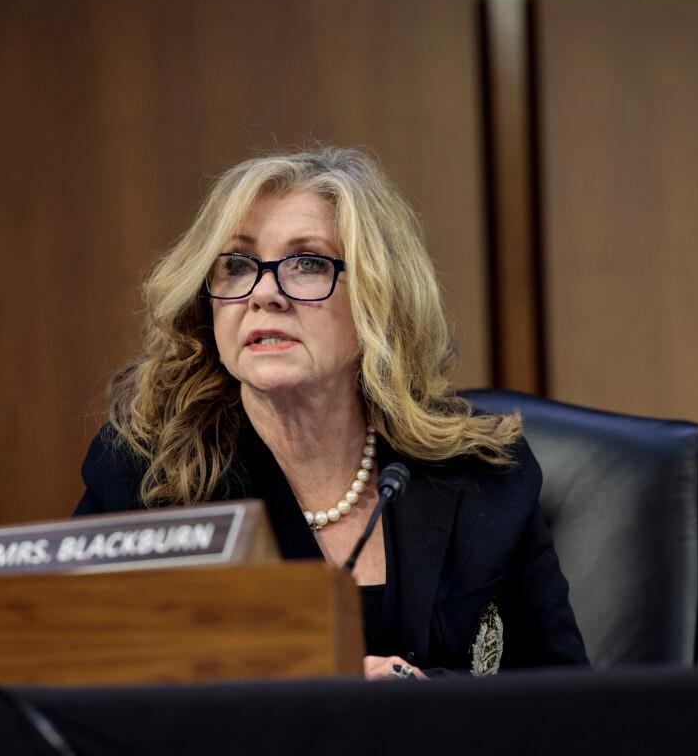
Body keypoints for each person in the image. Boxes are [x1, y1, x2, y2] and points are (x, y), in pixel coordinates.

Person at [75, 147, 587, 677]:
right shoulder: (146, 476)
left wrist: (423, 699)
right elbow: (88, 692)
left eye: (308, 264)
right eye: (236, 265)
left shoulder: (483, 473)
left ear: (378, 297)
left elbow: (568, 708)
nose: (266, 293)